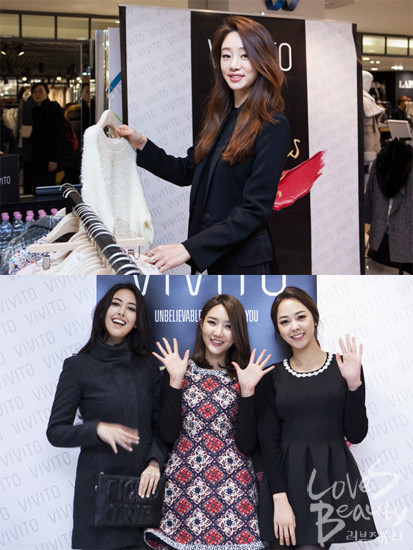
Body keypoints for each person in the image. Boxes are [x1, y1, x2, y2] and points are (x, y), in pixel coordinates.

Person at [117, 15, 291, 275]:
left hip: (246, 266)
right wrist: (141, 144)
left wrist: (188, 249)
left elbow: (254, 209)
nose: (234, 65)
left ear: (262, 60)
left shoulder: (272, 124)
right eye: (226, 56)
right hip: (215, 259)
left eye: (245, 56)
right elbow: (187, 170)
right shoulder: (220, 117)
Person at [144, 294, 273, 550]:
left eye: (228, 326)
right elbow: (167, 434)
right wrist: (175, 381)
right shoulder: (180, 370)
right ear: (201, 324)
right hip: (184, 485)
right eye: (212, 322)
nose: (218, 332)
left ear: (238, 332)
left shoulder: (247, 376)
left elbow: (247, 444)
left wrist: (248, 391)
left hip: (234, 489)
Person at [47, 283, 167, 550]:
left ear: (136, 321)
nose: (122, 312)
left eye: (131, 308)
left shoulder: (148, 366)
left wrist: (154, 463)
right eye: (116, 304)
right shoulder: (78, 366)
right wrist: (97, 429)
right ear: (103, 311)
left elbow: (159, 427)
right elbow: (55, 432)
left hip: (140, 496)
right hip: (97, 499)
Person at [256, 287, 378, 549]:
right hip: (284, 483)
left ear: (315, 317)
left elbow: (356, 434)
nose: (294, 327)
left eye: (300, 317)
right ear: (278, 330)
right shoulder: (271, 376)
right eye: (284, 321)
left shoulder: (345, 367)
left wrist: (354, 385)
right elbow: (268, 440)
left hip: (327, 482)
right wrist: (279, 499)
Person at [365, 138, 413, 274]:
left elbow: (369, 196)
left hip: (380, 240)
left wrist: (367, 218)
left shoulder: (378, 164)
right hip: (406, 241)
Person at [30, 81, 65, 187]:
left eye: (41, 91)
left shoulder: (53, 109)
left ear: (47, 93)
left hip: (49, 158)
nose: (37, 94)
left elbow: (58, 135)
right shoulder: (37, 110)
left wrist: (54, 159)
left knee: (47, 186)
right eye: (35, 92)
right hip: (38, 157)